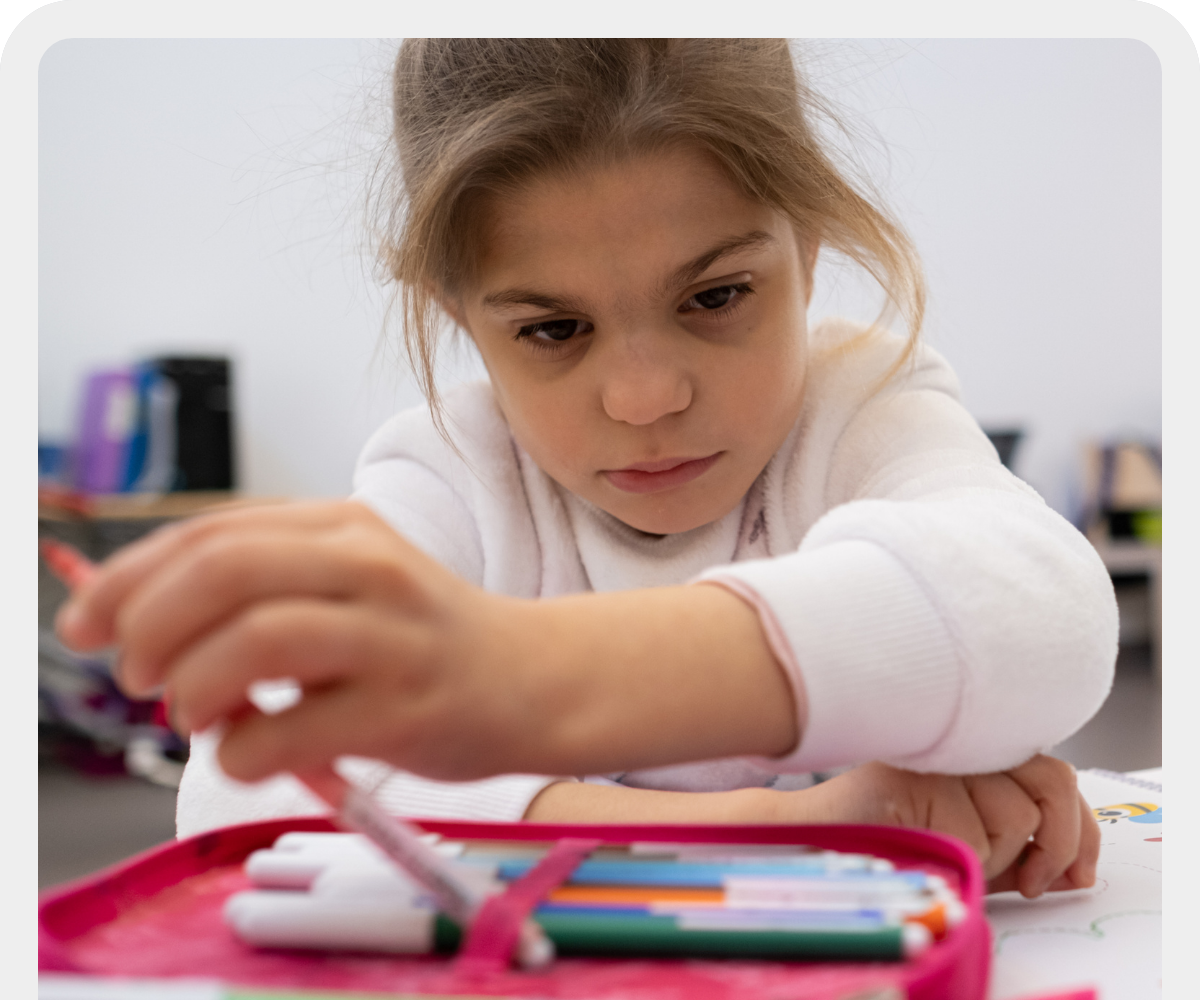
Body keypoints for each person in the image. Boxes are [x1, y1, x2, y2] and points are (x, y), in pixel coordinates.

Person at [57, 39, 1116, 899]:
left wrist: (525, 677)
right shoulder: (450, 474)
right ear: (457, 316)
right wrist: (778, 829)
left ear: (811, 247)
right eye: (555, 329)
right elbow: (247, 794)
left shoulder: (861, 407)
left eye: (716, 297)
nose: (645, 398)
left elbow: (1042, 613)